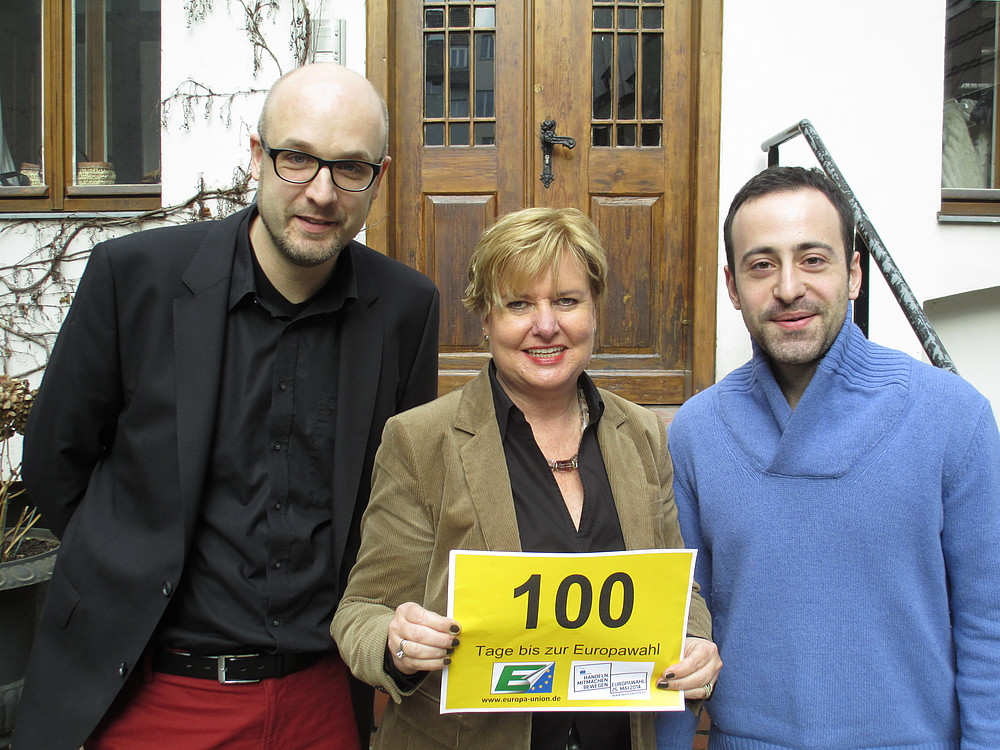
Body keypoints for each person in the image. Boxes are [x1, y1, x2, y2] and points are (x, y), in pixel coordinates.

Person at [15, 63, 440, 750]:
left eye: (350, 168)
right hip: (151, 692)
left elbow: (397, 499)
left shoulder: (405, 309)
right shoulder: (135, 279)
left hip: (321, 699)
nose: (321, 191)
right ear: (256, 155)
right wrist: (126, 566)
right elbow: (52, 465)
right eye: (297, 158)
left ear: (379, 177)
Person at [332, 206, 722, 750]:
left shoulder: (642, 434)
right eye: (518, 304)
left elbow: (676, 588)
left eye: (566, 300)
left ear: (594, 309)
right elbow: (359, 613)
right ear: (485, 318)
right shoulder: (420, 441)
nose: (545, 325)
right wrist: (396, 641)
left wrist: (695, 640)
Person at [656, 166, 1000, 749]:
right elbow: (679, 633)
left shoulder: (952, 417)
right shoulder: (696, 433)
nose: (789, 287)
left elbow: (988, 625)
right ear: (732, 286)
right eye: (761, 265)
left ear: (854, 273)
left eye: (813, 259)